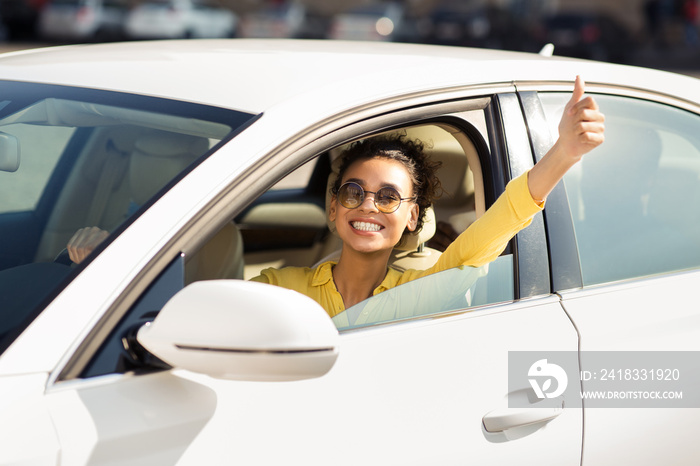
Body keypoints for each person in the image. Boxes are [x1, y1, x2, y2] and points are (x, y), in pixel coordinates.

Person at [68, 77, 604, 318]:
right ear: (332, 208)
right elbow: (204, 310)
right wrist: (112, 263)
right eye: (354, 191)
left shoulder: (433, 283)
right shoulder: (283, 286)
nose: (368, 205)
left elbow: (499, 222)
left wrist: (563, 154)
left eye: (389, 197)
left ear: (413, 216)